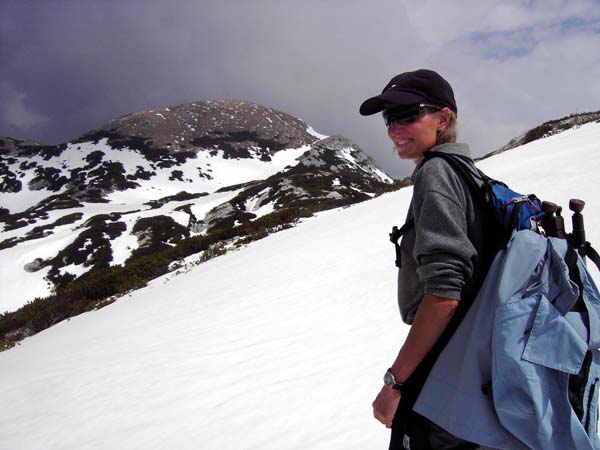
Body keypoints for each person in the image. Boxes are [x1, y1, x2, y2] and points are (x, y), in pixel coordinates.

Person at [359, 69, 489, 449]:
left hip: (450, 369)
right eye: (389, 119)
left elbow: (445, 293)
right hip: (474, 366)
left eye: (407, 114)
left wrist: (395, 382)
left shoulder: (437, 174)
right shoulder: (467, 173)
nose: (394, 128)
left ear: (443, 118)